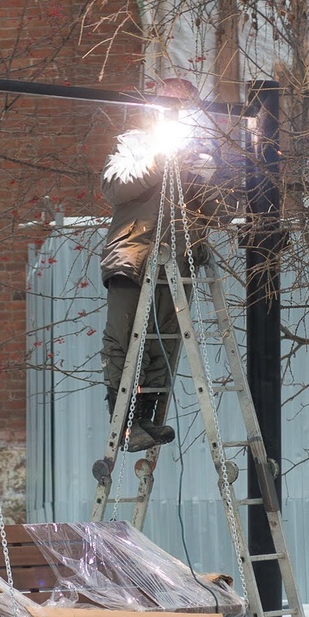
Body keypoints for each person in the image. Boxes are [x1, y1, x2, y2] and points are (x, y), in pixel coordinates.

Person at [99, 77, 220, 452]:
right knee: (123, 338)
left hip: (176, 258)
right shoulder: (133, 145)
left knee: (162, 342)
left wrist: (202, 174)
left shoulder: (198, 154)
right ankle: (124, 424)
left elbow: (217, 213)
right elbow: (114, 187)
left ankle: (147, 419)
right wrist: (160, 162)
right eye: (171, 105)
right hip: (133, 254)